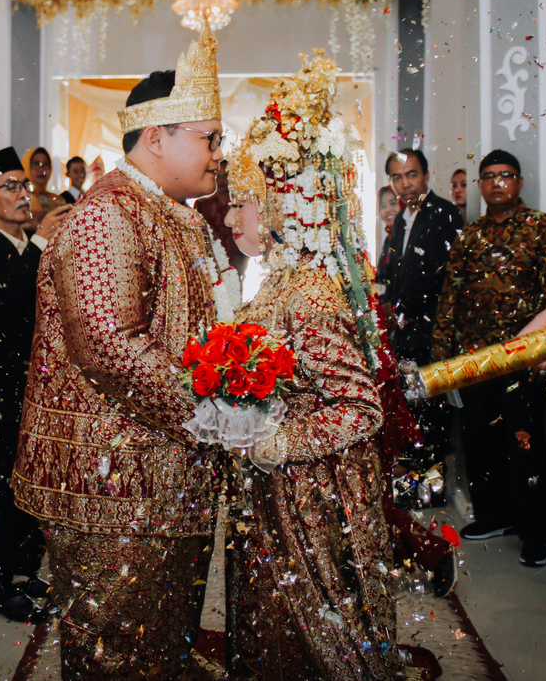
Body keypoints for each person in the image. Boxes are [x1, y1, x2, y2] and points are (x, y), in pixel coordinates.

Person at [13, 22, 239, 680]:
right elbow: (109, 346)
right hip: (115, 485)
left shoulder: (174, 213)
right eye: (209, 137)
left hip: (166, 477)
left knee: (164, 646)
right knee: (118, 654)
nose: (219, 154)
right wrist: (211, 414)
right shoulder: (110, 213)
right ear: (156, 135)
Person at [221, 55, 404, 680]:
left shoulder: (309, 293)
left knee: (309, 633)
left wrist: (278, 441)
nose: (231, 218)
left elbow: (360, 407)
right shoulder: (276, 283)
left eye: (242, 204)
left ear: (278, 203)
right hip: (276, 489)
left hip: (313, 498)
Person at [430, 149, 546, 566]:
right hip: (476, 362)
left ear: (519, 182)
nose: (497, 182)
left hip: (523, 362)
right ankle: (493, 516)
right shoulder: (470, 236)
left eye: (505, 175)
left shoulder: (542, 228)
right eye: (489, 176)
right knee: (480, 442)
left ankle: (534, 532)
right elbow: (450, 296)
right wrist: (443, 356)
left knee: (526, 446)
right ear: (480, 185)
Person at [0, 148, 71, 622]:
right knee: (10, 487)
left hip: (46, 384)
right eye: (11, 186)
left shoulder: (34, 243)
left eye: (24, 185)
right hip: (7, 386)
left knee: (38, 483)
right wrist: (41, 242)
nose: (24, 194)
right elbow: (2, 305)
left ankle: (25, 570)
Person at [380, 148, 463, 467]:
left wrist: (399, 308)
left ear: (426, 176)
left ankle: (433, 476)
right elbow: (395, 271)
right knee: (410, 407)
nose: (405, 184)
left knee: (432, 410)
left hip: (433, 327)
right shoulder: (402, 219)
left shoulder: (443, 214)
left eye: (412, 175)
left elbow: (435, 273)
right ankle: (415, 471)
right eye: (397, 177)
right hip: (405, 330)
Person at [194, 159, 249, 276]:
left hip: (238, 262)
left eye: (225, 176)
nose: (221, 181)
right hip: (212, 265)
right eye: (217, 176)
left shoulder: (241, 203)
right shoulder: (202, 205)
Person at [22, 146, 64, 230]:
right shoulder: (21, 199)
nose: (41, 169)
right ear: (26, 167)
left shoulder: (58, 200)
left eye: (46, 164)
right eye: (35, 164)